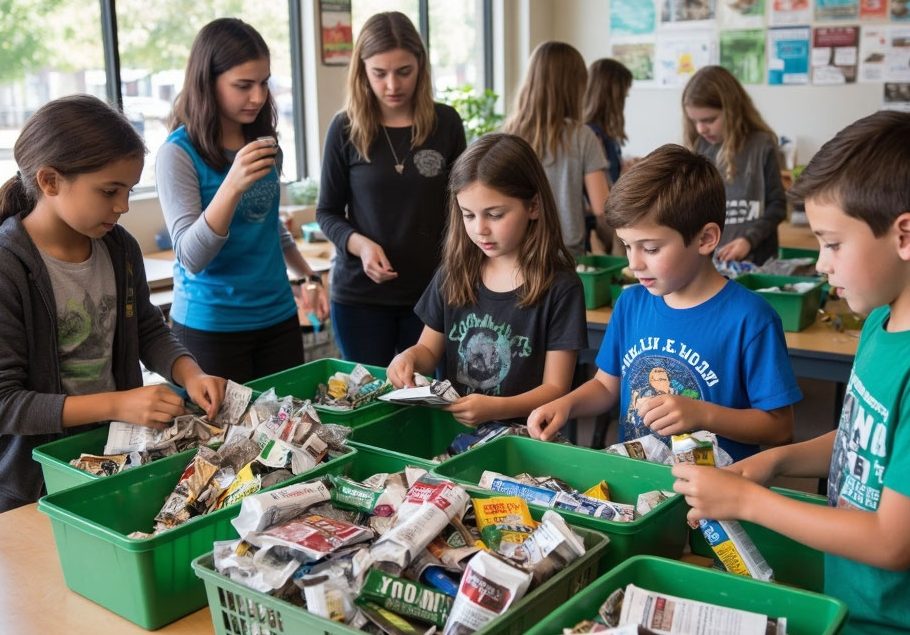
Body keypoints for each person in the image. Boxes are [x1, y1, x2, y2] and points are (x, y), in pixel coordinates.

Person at [672, 111, 910, 634]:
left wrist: (749, 501)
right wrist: (778, 462)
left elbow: (893, 543)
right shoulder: (878, 322)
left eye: (833, 244)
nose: (821, 263)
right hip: (846, 599)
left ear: (904, 235)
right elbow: (860, 442)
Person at [0, 95, 226, 512]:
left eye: (129, 190)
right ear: (49, 181)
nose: (122, 206)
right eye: (109, 191)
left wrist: (189, 373)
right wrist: (119, 403)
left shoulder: (119, 248)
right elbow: (6, 403)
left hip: (114, 459)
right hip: (34, 486)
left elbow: (147, 328)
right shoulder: (9, 266)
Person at [527, 144, 800, 462]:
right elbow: (605, 386)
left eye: (651, 248)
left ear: (705, 239)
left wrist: (704, 415)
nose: (634, 263)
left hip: (711, 496)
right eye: (627, 246)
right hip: (638, 483)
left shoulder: (751, 319)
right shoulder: (630, 303)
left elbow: (780, 427)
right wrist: (567, 404)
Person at [157, 18, 328, 384]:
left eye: (264, 83)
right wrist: (231, 186)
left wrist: (308, 274)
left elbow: (267, 225)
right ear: (208, 83)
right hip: (212, 326)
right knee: (225, 440)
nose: (258, 96)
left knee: (290, 435)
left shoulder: (264, 143)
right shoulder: (178, 154)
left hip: (278, 318)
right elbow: (191, 256)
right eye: (243, 85)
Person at [386, 134, 587, 427]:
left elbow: (555, 389)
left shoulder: (561, 287)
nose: (480, 229)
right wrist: (408, 358)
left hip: (524, 444)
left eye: (494, 215)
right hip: (455, 438)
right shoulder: (454, 272)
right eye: (468, 215)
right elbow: (428, 350)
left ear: (533, 206)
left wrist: (496, 408)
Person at [317, 11, 466, 366]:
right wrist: (361, 245)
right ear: (362, 71)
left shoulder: (446, 123)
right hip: (360, 299)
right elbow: (327, 212)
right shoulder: (344, 128)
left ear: (421, 67)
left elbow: (463, 206)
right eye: (379, 73)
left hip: (434, 295)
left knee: (431, 402)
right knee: (371, 402)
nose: (392, 86)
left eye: (404, 72)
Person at [504, 41, 610, 257]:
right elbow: (602, 208)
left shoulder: (506, 137)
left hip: (519, 251)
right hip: (566, 254)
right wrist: (608, 245)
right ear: (576, 86)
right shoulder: (583, 136)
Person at [682, 65, 786, 265]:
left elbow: (778, 206)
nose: (701, 128)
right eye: (694, 121)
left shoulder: (762, 145)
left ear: (732, 110)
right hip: (712, 264)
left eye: (709, 120)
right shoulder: (699, 149)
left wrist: (749, 240)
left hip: (756, 261)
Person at [584, 58, 634, 186]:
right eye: (623, 96)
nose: (625, 100)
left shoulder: (605, 131)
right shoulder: (593, 135)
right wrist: (626, 176)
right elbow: (602, 196)